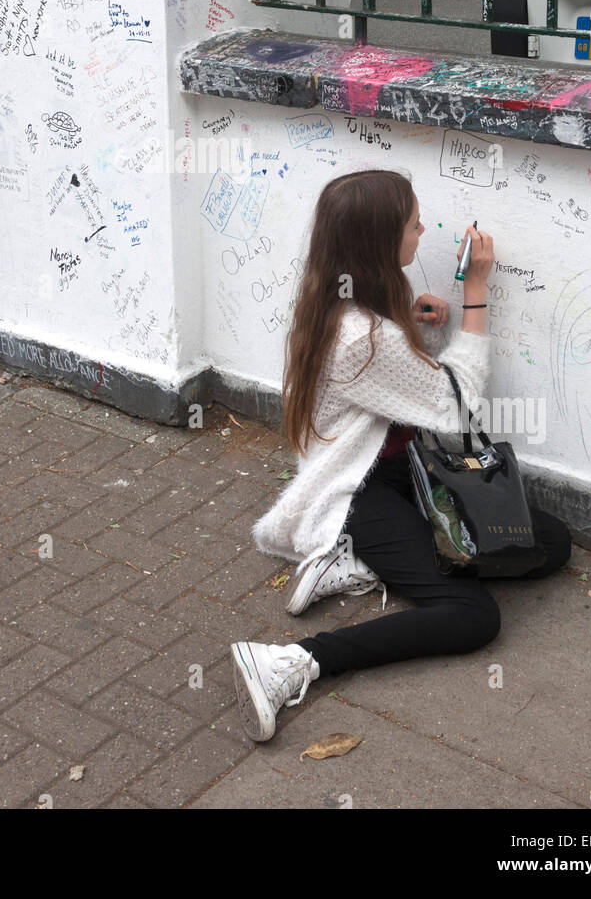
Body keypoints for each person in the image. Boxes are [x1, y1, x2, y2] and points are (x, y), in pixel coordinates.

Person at [230, 169, 571, 742]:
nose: (421, 229)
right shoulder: (362, 334)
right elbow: (455, 406)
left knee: (546, 542)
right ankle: (292, 661)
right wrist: (476, 296)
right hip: (357, 491)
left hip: (399, 469)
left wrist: (413, 323)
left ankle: (358, 562)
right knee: (474, 616)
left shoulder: (336, 296)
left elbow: (394, 381)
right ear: (381, 240)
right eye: (413, 223)